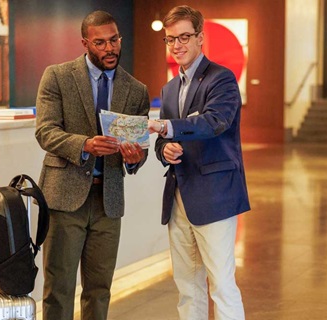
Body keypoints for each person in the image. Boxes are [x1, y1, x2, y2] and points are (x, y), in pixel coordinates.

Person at [35, 10, 150, 320]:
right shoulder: (57, 76)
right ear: (85, 43)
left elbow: (140, 148)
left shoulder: (136, 90)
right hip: (64, 199)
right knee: (59, 288)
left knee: (100, 289)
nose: (109, 48)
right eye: (100, 43)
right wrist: (84, 145)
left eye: (114, 40)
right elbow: (45, 131)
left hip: (108, 202)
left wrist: (136, 158)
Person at [147, 5, 250, 320]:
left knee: (221, 285)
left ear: (200, 38)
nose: (177, 45)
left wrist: (167, 128)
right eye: (170, 40)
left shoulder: (222, 79)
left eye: (184, 37)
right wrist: (164, 148)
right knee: (188, 287)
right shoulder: (169, 88)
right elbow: (165, 140)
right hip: (179, 196)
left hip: (215, 195)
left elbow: (214, 122)